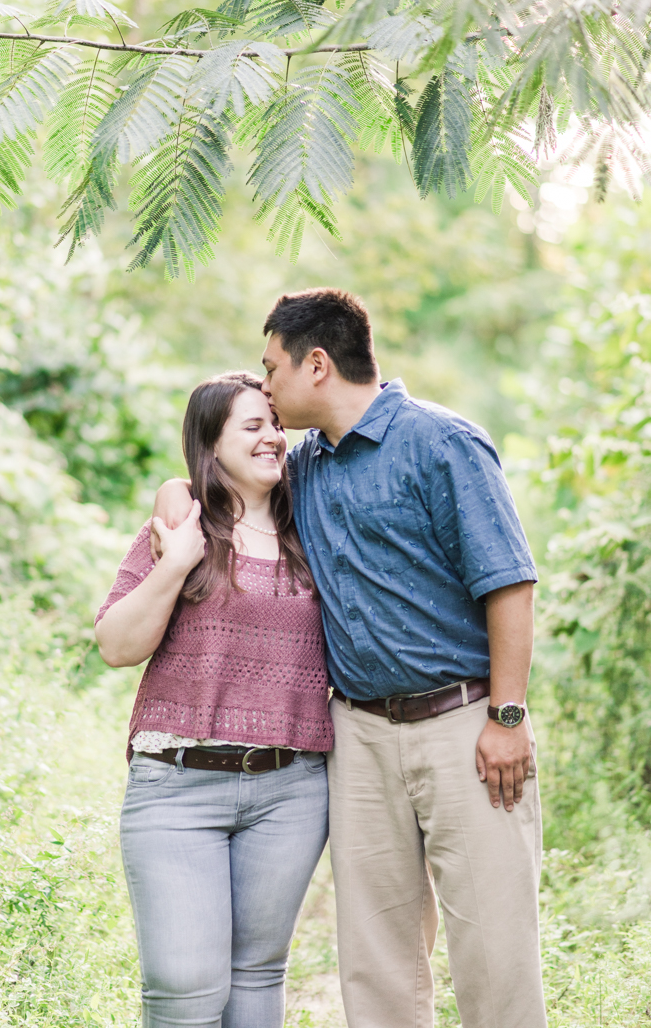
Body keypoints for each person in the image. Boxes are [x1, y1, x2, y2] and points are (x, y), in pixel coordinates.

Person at [153, 289, 547, 1028]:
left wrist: (507, 713)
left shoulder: (442, 443)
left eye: (272, 368)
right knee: (377, 962)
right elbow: (222, 479)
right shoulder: (303, 468)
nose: (265, 385)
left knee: (494, 953)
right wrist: (175, 488)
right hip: (358, 737)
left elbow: (510, 582)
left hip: (464, 722)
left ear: (318, 363)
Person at [95, 371, 333, 1028]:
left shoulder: (310, 524)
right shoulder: (178, 527)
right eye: (251, 426)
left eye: (276, 424)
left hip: (292, 788)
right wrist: (175, 564)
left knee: (257, 979)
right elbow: (115, 644)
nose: (272, 438)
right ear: (211, 444)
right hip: (176, 784)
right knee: (185, 988)